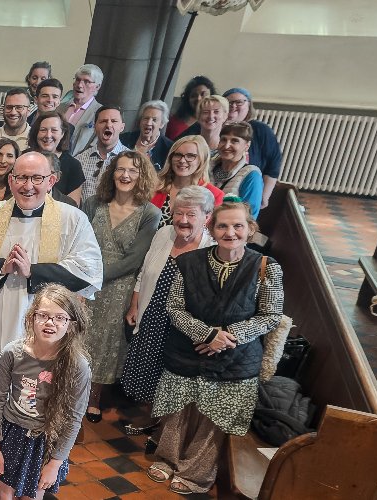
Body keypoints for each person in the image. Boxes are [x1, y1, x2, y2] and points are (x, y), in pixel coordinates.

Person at [147, 200, 284, 495]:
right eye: (222, 225)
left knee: (214, 420)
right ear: (212, 228)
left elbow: (271, 315)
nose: (230, 232)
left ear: (250, 230)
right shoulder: (190, 262)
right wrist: (207, 334)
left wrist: (228, 336)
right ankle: (166, 458)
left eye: (238, 226)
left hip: (237, 356)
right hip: (189, 348)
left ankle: (196, 474)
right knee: (177, 410)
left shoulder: (265, 267)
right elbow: (174, 308)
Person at [0, 151, 103, 392]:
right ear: (10, 180)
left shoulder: (73, 219)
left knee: (33, 393)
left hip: (43, 317)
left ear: (51, 181)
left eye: (37, 178)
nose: (28, 186)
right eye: (21, 178)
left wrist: (33, 272)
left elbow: (87, 267)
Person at [119, 185, 214, 436]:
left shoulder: (210, 251)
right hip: (153, 314)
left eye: (191, 215)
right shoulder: (163, 234)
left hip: (183, 325)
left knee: (171, 373)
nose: (182, 220)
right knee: (149, 367)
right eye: (178, 213)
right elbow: (145, 271)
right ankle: (152, 416)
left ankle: (167, 427)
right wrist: (135, 304)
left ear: (207, 217)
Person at [0, 285, 93, 500]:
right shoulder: (12, 353)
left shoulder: (77, 366)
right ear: (32, 317)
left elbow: (73, 419)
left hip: (45, 440)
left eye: (59, 318)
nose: (50, 322)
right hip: (11, 433)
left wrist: (55, 462)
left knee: (33, 496)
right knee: (4, 494)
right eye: (43, 315)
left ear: (70, 325)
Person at [79, 151, 162, 421]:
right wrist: (84, 276)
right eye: (120, 169)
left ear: (142, 177)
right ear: (111, 173)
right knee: (79, 337)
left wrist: (97, 276)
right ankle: (68, 393)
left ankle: (93, 399)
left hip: (119, 288)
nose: (125, 176)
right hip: (85, 279)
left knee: (104, 343)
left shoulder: (149, 213)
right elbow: (79, 241)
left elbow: (134, 260)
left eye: (133, 171)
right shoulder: (93, 203)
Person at [223, 88, 284, 205]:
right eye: (229, 102)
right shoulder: (215, 127)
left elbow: (273, 163)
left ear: (249, 105)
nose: (233, 106)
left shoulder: (260, 130)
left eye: (239, 102)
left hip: (248, 188)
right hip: (222, 188)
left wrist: (264, 196)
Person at [152, 135, 225, 227]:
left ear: (202, 160)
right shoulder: (154, 187)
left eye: (190, 156)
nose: (182, 160)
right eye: (178, 155)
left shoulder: (215, 196)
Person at [74, 105, 129, 200]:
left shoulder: (132, 160)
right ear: (95, 127)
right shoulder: (79, 160)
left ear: (122, 127)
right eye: (103, 121)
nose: (108, 125)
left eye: (114, 121)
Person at [28, 111, 86, 201]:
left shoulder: (73, 165)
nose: (48, 135)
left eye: (54, 130)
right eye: (43, 130)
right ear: (36, 133)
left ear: (62, 133)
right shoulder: (24, 158)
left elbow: (72, 206)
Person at [211, 122, 265, 217]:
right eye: (223, 140)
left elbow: (249, 217)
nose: (227, 146)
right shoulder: (209, 167)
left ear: (247, 146)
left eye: (234, 141)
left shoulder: (251, 175)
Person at [59, 64, 104, 152]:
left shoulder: (100, 113)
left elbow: (95, 146)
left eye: (86, 81)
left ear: (97, 87)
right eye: (78, 79)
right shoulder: (60, 107)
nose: (79, 85)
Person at [0, 88, 33, 160]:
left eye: (19, 107)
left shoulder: (36, 140)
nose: (13, 112)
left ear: (28, 111)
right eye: (9, 107)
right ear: (3, 109)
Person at [121, 100, 173, 169]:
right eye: (146, 118)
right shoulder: (124, 139)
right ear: (140, 121)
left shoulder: (169, 148)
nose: (148, 123)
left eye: (154, 120)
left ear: (162, 124)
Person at [165, 76, 215, 141]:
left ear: (212, 96)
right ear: (187, 99)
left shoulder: (216, 123)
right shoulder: (173, 122)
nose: (198, 98)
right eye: (194, 95)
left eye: (203, 94)